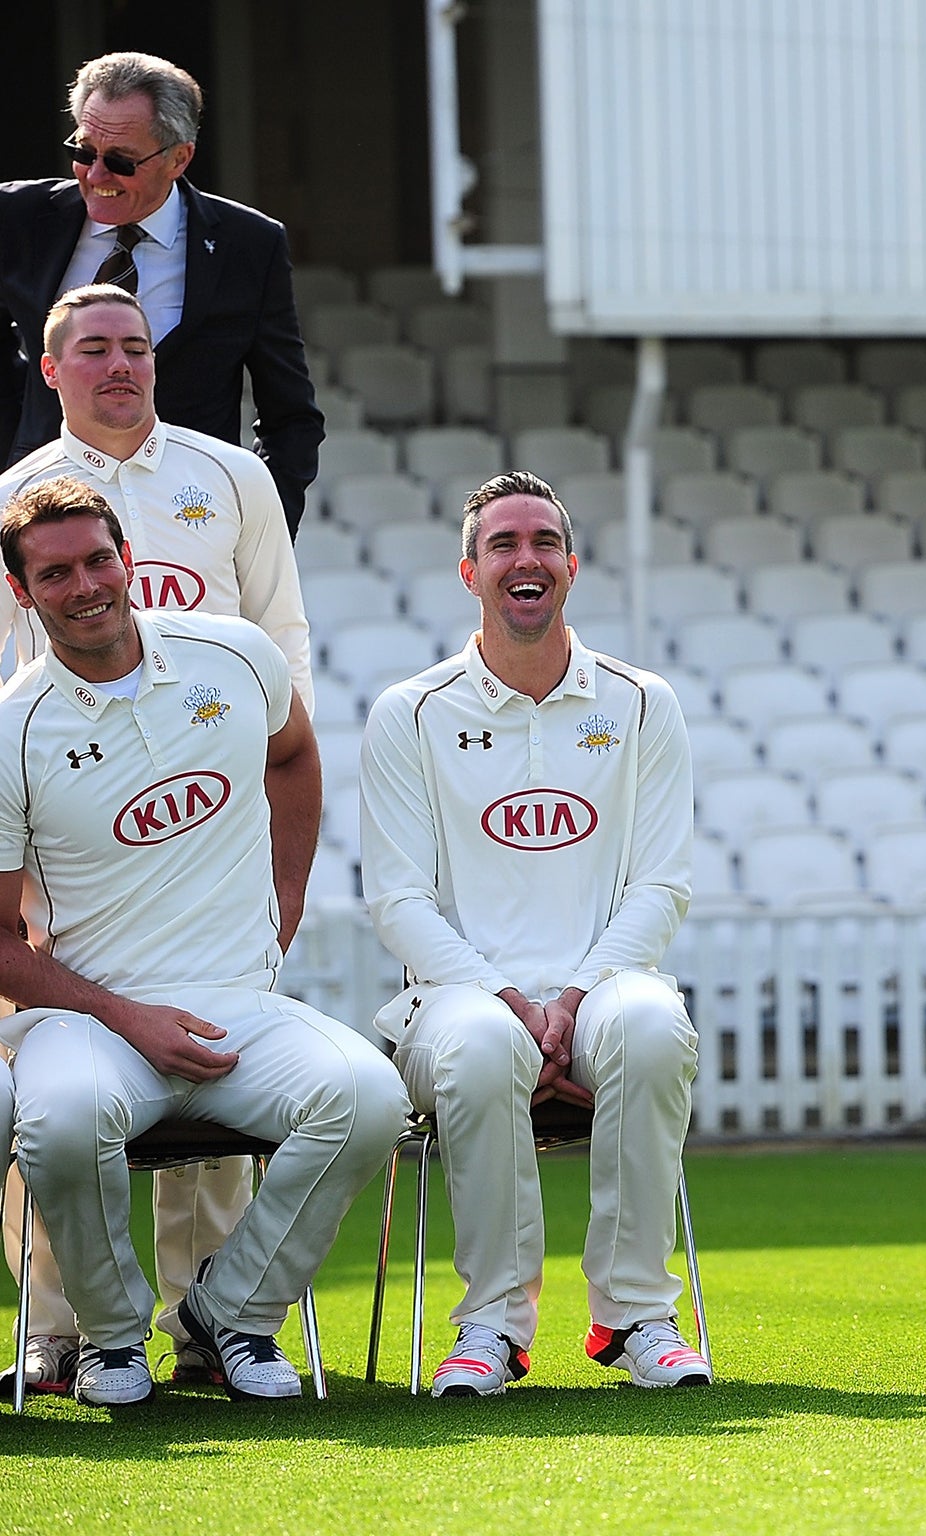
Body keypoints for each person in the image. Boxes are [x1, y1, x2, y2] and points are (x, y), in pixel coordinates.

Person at [0, 477, 405, 1405]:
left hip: (238, 1001)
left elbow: (294, 755)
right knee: (59, 1124)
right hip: (89, 1018)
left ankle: (232, 1316)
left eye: (99, 559)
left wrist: (287, 895)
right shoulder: (12, 730)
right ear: (24, 594)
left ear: (128, 558)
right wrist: (125, 1016)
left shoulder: (236, 655)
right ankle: (110, 1340)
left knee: (370, 1096)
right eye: (54, 573)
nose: (86, 585)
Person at [0, 282, 316, 1395]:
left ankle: (211, 1316)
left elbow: (280, 641)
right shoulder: (9, 500)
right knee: (55, 1082)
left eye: (136, 345)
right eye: (93, 350)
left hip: (209, 825)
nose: (119, 366)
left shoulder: (232, 476)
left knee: (218, 1070)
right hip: (58, 828)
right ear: (53, 371)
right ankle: (60, 1323)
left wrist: (276, 876)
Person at [358, 471, 705, 1397]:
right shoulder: (412, 712)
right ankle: (492, 1330)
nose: (527, 558)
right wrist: (510, 1003)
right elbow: (399, 900)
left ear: (571, 567)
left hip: (602, 991)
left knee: (651, 1026)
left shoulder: (641, 702)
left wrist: (575, 999)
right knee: (477, 1046)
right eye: (504, 544)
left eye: (544, 542)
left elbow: (662, 882)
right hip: (458, 1003)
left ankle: (634, 1316)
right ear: (469, 572)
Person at [0, 52, 322, 532]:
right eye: (84, 152)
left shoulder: (249, 244)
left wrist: (258, 532)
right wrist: (14, 468)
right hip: (43, 519)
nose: (95, 175)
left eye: (120, 161)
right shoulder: (17, 217)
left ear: (179, 157)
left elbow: (290, 415)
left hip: (190, 520)